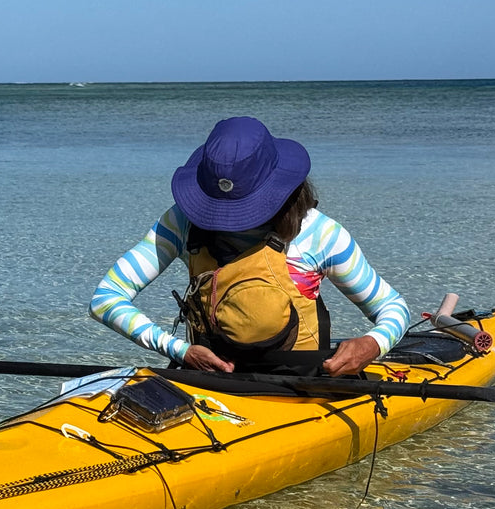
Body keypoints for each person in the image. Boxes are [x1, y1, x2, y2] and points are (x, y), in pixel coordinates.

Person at [91, 116, 410, 377]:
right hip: (208, 381)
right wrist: (180, 350)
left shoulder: (321, 234)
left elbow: (393, 308)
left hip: (299, 387)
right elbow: (105, 299)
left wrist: (372, 344)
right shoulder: (182, 222)